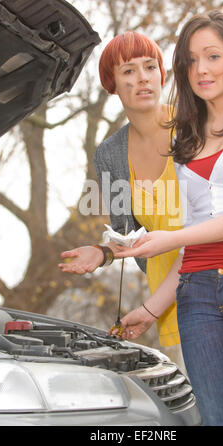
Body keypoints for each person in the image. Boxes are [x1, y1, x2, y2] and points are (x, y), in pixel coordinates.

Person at [113, 10, 223, 426]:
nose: (201, 70)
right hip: (198, 296)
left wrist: (169, 238)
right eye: (190, 60)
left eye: (213, 56)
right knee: (218, 420)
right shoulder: (187, 135)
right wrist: (151, 310)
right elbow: (193, 246)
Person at [58, 32, 183, 349]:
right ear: (111, 83)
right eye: (128, 71)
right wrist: (101, 253)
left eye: (150, 67)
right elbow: (127, 234)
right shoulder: (109, 155)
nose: (142, 78)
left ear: (161, 74)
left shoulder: (192, 125)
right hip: (171, 302)